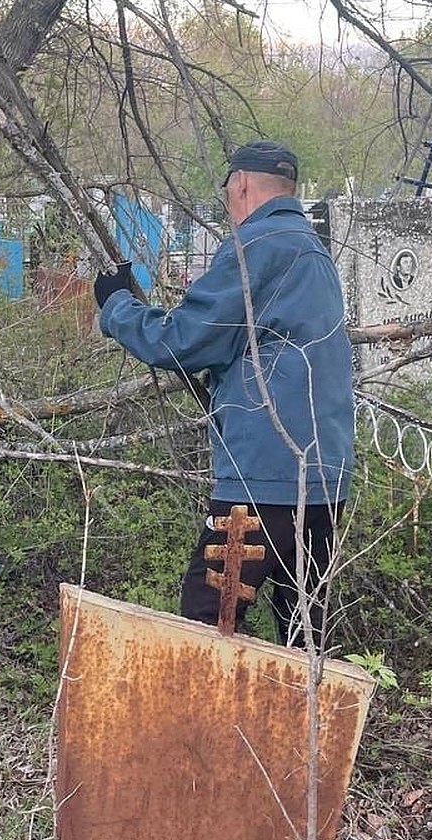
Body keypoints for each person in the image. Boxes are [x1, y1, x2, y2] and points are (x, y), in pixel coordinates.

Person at [94, 140, 354, 647]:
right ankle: (301, 727)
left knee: (207, 620)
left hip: (264, 478)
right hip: (326, 478)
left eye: (228, 195)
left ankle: (209, 729)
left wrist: (116, 307)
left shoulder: (258, 246)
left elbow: (183, 340)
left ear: (240, 185)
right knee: (304, 633)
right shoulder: (313, 251)